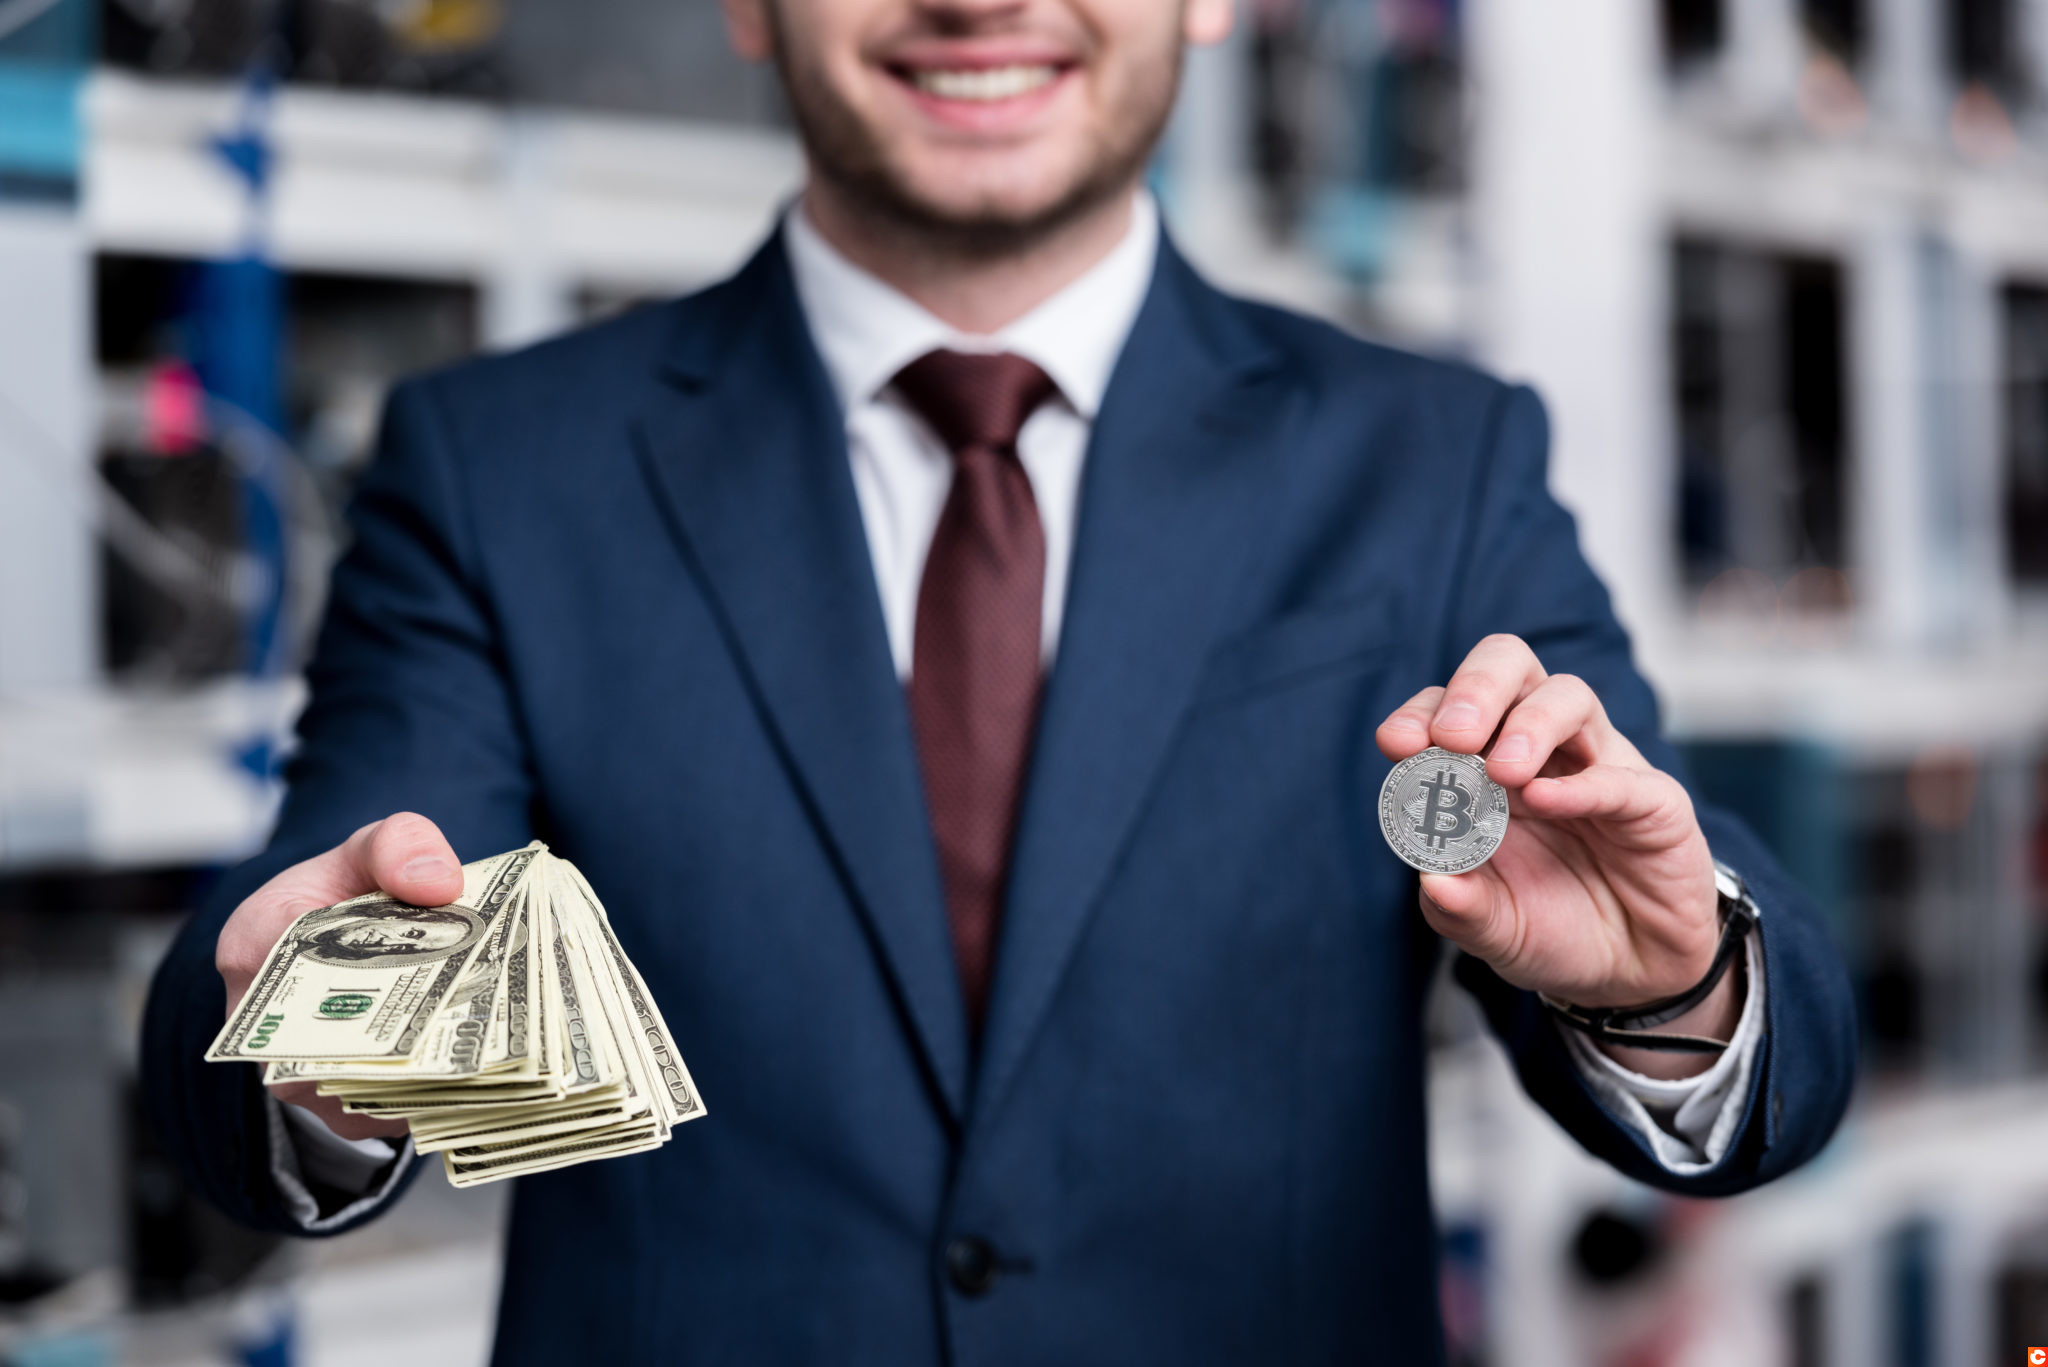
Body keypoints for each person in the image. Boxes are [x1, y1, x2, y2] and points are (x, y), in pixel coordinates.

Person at [142, 0, 1857, 1357]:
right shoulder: (504, 465)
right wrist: (318, 1036)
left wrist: (1667, 994)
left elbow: (1746, 1012)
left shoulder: (1431, 463)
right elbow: (337, 891)